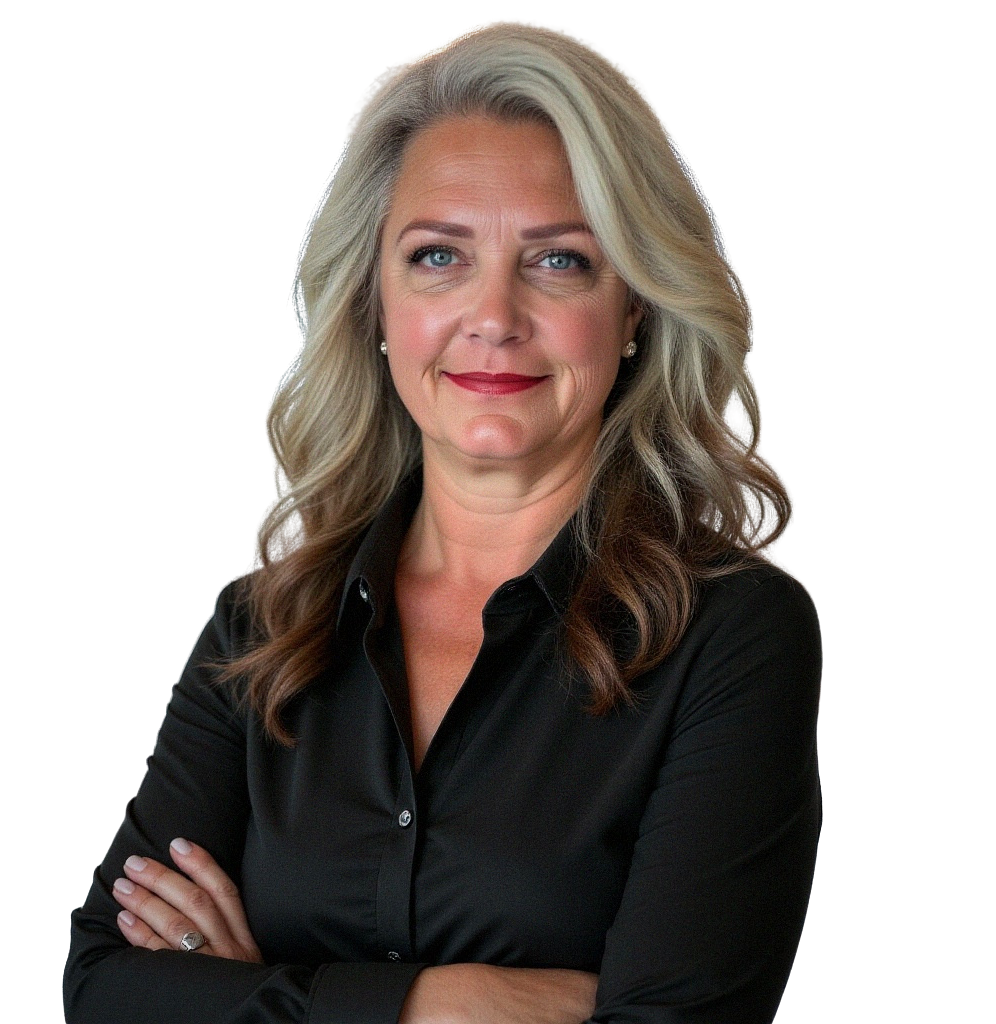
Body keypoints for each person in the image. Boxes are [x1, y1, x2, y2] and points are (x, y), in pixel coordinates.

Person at [64, 23, 821, 1024]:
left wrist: (247, 993)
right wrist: (440, 1003)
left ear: (634, 305)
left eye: (558, 260)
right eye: (437, 257)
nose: (493, 314)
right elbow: (106, 988)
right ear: (375, 304)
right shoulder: (264, 630)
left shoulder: (730, 636)